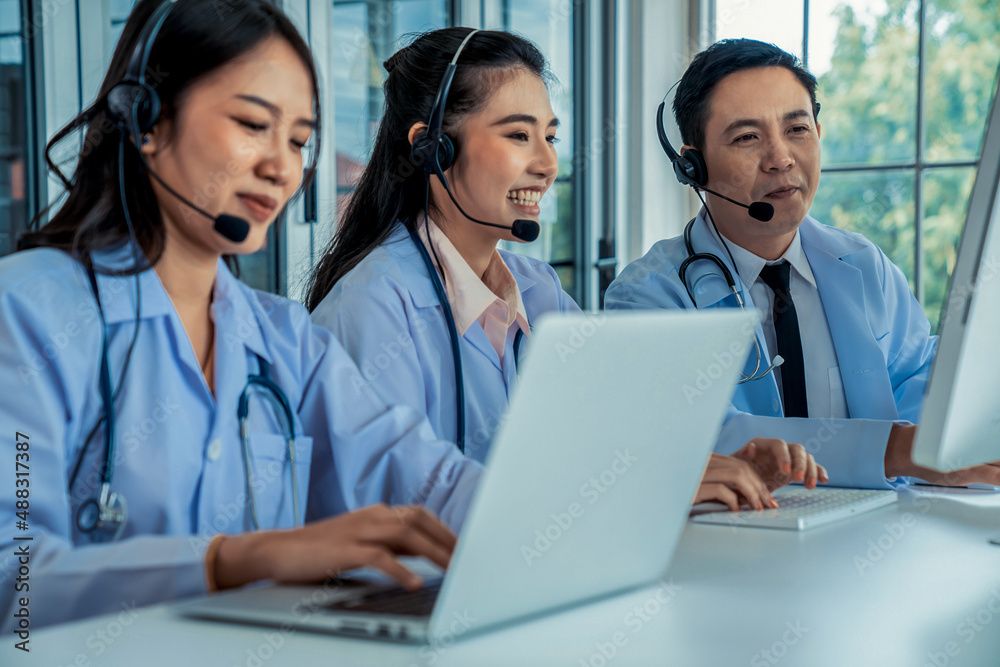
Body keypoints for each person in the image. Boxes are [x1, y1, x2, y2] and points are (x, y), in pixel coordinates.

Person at [0, 0, 474, 632]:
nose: (283, 167)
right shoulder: (24, 314)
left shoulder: (285, 343)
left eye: (300, 140)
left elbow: (426, 479)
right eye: (254, 124)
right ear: (147, 119)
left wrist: (556, 518)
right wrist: (225, 562)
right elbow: (15, 585)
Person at [306, 28, 825, 513]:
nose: (547, 164)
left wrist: (710, 468)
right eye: (517, 135)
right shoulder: (370, 305)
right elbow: (390, 512)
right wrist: (647, 485)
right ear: (432, 149)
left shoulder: (538, 292)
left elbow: (609, 441)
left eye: (549, 138)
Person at [606, 38, 1000, 488]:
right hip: (728, 541)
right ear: (693, 167)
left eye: (797, 129)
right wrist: (892, 450)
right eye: (747, 137)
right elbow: (688, 436)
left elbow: (917, 382)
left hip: (870, 530)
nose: (781, 158)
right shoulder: (648, 296)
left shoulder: (863, 265)